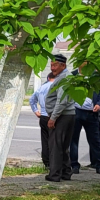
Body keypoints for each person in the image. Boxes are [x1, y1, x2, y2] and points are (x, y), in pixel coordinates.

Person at [43, 54, 75, 182]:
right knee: (63, 146)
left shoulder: (64, 78)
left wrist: (53, 118)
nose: (52, 68)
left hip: (62, 116)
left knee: (56, 146)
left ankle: (55, 175)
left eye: (55, 65)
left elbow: (62, 101)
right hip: (68, 115)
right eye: (51, 65)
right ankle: (66, 172)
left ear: (63, 65)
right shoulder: (65, 76)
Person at [69, 73, 100, 175]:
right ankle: (74, 165)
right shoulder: (73, 76)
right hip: (76, 112)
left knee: (95, 141)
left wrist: (99, 104)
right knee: (73, 140)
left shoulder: (95, 77)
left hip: (91, 114)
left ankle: (99, 165)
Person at [29, 68, 58, 168]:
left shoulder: (41, 88)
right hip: (54, 117)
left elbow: (32, 100)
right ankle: (55, 163)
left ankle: (46, 162)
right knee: (54, 141)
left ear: (48, 78)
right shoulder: (57, 87)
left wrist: (36, 111)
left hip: (43, 116)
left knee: (45, 140)